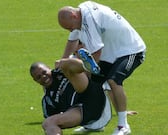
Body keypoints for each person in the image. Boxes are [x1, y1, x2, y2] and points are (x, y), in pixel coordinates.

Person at [57, 1, 146, 135]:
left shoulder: (89, 20)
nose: (70, 30)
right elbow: (72, 39)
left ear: (74, 16)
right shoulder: (80, 13)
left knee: (113, 81)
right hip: (111, 54)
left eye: (70, 27)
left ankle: (123, 126)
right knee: (94, 86)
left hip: (131, 50)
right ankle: (96, 123)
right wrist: (63, 60)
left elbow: (97, 51)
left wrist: (86, 68)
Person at [30, 58, 112, 135]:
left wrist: (64, 61)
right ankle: (88, 66)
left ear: (48, 68)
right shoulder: (48, 100)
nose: (43, 77)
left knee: (64, 64)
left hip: (94, 95)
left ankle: (88, 67)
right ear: (35, 81)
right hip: (84, 112)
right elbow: (51, 123)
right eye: (39, 77)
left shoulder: (60, 71)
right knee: (47, 123)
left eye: (44, 72)